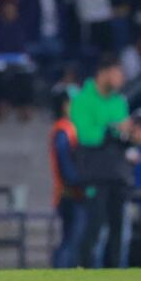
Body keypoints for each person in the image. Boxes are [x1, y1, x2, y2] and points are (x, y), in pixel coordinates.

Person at [70, 52, 130, 268]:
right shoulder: (82, 99)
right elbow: (85, 135)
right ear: (103, 74)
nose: (121, 79)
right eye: (118, 74)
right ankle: (82, 269)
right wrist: (113, 128)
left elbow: (123, 139)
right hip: (94, 172)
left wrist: (133, 137)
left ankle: (113, 277)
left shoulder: (119, 101)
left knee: (117, 228)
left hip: (117, 172)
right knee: (94, 225)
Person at [49, 86, 86, 268]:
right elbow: (66, 166)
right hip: (71, 194)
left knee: (72, 239)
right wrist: (81, 182)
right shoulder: (64, 131)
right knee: (72, 240)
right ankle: (61, 275)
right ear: (65, 105)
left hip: (70, 192)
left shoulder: (66, 129)